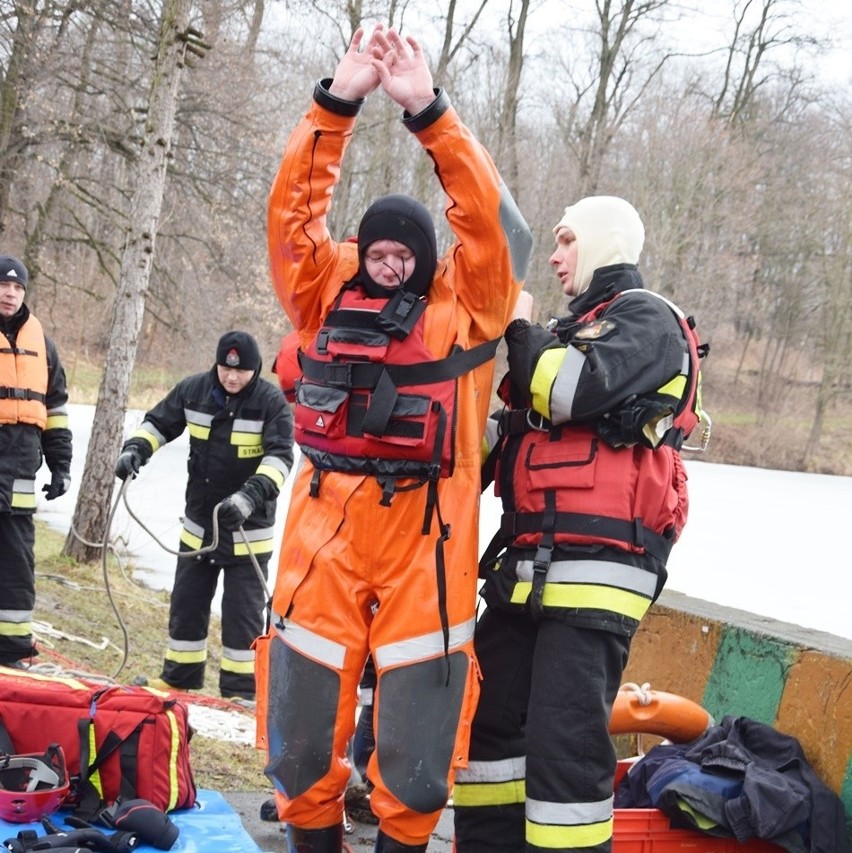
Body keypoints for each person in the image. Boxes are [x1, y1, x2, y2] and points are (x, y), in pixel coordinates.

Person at [260, 23, 532, 853]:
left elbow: (489, 224)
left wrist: (427, 111)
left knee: (418, 746)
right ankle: (311, 837)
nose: (385, 264)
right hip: (324, 526)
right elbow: (291, 213)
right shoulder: (321, 289)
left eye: (399, 253)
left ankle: (399, 841)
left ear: (423, 259)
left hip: (430, 537)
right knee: (300, 733)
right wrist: (337, 100)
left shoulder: (470, 305)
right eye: (373, 251)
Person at [452, 196, 708, 852]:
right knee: (490, 734)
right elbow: (506, 441)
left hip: (595, 579)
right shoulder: (567, 333)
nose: (558, 256)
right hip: (524, 576)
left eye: (568, 242)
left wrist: (519, 331)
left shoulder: (647, 319)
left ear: (601, 244)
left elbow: (570, 394)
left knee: (565, 747)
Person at [115, 330, 294, 701]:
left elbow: (280, 458)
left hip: (247, 530)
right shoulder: (193, 390)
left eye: (241, 372)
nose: (231, 377)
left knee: (242, 616)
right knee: (187, 604)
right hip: (198, 526)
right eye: (226, 369)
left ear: (254, 370)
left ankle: (241, 693)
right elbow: (158, 424)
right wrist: (135, 449)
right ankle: (179, 679)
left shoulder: (270, 403)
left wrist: (249, 498)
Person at [0, 254, 73, 668]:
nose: (10, 293)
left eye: (18, 288)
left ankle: (11, 653)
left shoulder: (42, 344)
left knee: (16, 568)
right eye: (3, 286)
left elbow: (56, 408)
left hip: (20, 479)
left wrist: (60, 464)